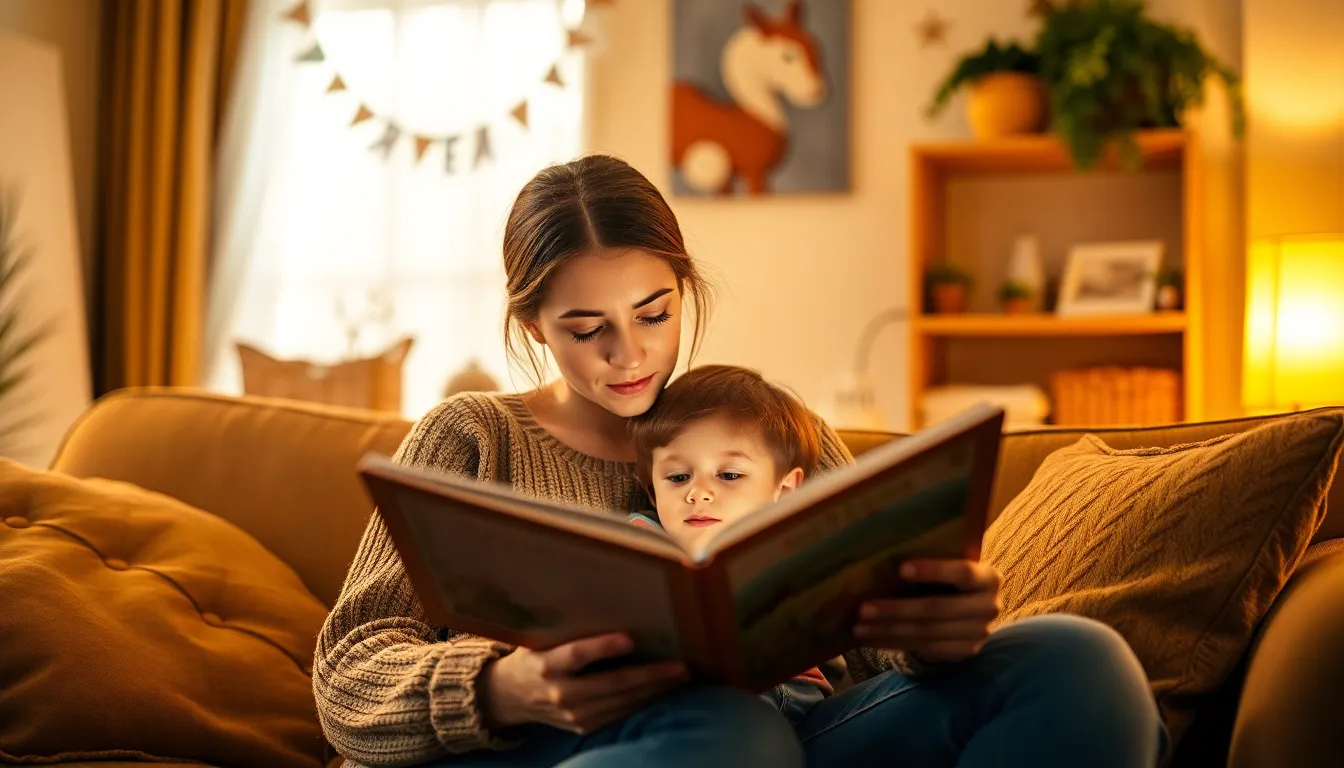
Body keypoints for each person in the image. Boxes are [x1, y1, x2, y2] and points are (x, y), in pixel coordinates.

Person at [313, 154, 1166, 768]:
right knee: (728, 737)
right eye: (586, 330)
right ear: (535, 325)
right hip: (580, 747)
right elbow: (347, 675)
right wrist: (507, 688)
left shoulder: (771, 431)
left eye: (654, 312)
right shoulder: (471, 438)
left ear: (685, 287)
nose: (629, 354)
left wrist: (936, 632)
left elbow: (880, 674)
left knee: (1074, 662)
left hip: (791, 736)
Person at [628, 363, 848, 726]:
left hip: (778, 691)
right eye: (678, 477)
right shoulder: (638, 538)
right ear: (653, 491)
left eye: (729, 475)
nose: (698, 493)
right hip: (664, 698)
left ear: (785, 488)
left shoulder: (795, 546)